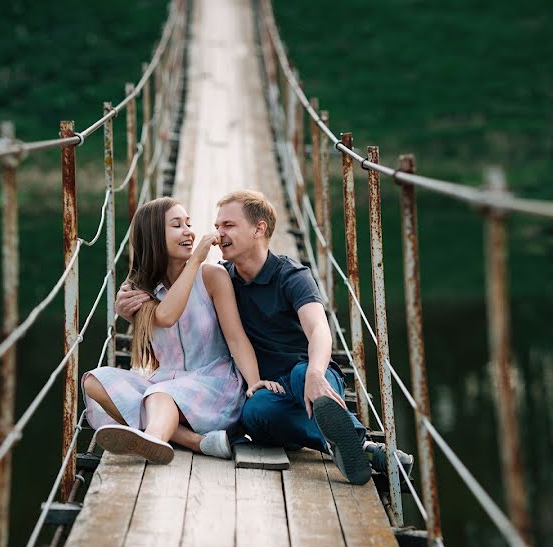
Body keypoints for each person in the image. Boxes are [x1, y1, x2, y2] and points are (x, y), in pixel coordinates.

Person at [119, 190, 412, 484]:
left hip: (307, 373)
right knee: (255, 413)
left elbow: (319, 330)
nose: (218, 234)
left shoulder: (292, 275)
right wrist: (133, 309)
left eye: (228, 226)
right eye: (217, 226)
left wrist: (315, 371)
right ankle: (360, 449)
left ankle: (363, 448)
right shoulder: (222, 278)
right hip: (266, 389)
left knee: (300, 376)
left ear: (259, 228)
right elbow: (180, 312)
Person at [84, 197, 282, 465]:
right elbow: (164, 319)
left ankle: (153, 436)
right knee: (93, 381)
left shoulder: (212, 277)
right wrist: (128, 316)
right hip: (163, 382)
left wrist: (255, 382)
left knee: (158, 396)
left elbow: (234, 338)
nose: (189, 231)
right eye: (177, 225)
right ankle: (193, 442)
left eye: (188, 223)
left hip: (213, 384)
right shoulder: (141, 288)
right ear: (153, 236)